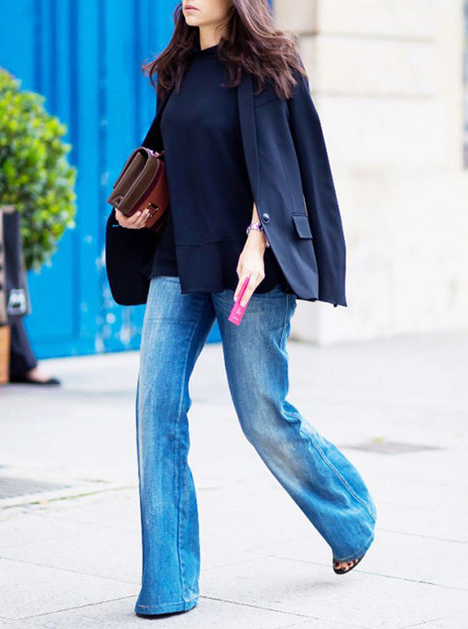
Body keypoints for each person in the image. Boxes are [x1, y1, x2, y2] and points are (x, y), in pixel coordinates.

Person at [110, 0, 377, 617]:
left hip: (247, 268)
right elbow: (171, 160)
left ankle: (350, 518)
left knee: (262, 413)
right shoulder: (176, 71)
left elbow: (285, 165)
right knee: (155, 411)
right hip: (178, 260)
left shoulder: (269, 64)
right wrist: (139, 210)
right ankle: (168, 584)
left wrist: (259, 240)